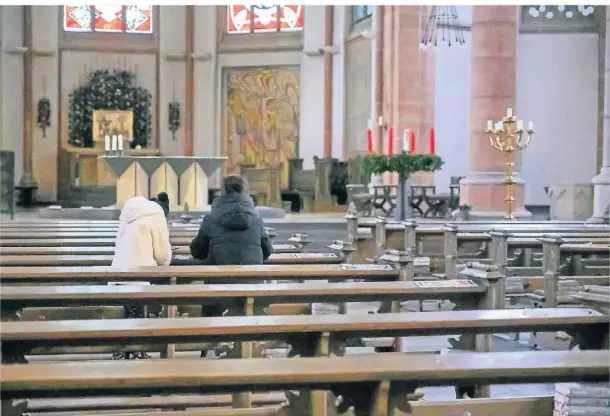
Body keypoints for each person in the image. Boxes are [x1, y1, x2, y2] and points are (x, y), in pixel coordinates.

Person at [190, 174, 272, 265]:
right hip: (252, 277)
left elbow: (197, 252)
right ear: (244, 190)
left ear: (223, 191)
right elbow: (267, 251)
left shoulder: (210, 218)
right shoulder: (257, 218)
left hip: (217, 277)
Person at [112, 195, 172, 268]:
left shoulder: (126, 216)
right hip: (145, 273)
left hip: (118, 272)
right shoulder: (157, 215)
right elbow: (162, 257)